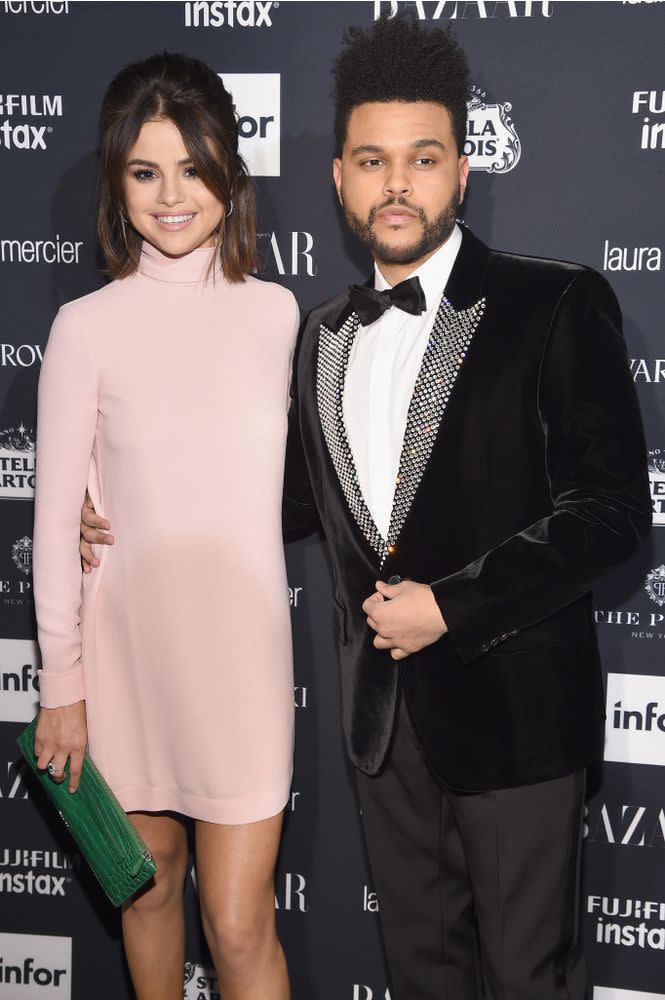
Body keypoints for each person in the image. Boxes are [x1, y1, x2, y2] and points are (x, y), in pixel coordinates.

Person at [81, 15, 653, 1000]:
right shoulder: (318, 336)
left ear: (460, 172)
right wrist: (119, 512)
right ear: (339, 179)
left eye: (421, 159)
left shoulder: (551, 304)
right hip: (385, 736)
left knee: (530, 982)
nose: (396, 183)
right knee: (419, 977)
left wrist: (453, 602)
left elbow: (610, 512)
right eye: (373, 160)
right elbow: (278, 502)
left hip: (517, 726)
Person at [33, 53, 296, 1000]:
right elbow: (56, 515)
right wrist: (60, 684)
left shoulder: (277, 314)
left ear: (229, 168)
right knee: (146, 897)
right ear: (117, 183)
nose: (171, 196)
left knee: (238, 922)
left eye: (192, 167)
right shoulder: (86, 327)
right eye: (145, 173)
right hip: (127, 661)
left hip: (242, 658)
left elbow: (298, 483)